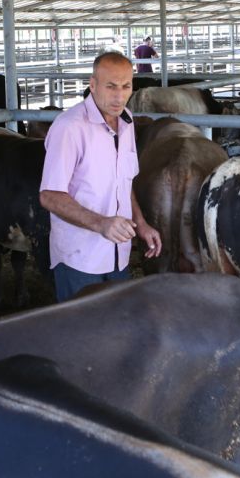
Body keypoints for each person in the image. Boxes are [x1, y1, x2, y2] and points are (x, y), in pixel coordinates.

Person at [39, 52, 162, 302]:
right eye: (111, 86)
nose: (119, 96)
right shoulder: (69, 127)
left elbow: (123, 182)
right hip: (79, 259)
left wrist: (140, 223)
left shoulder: (127, 123)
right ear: (93, 85)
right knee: (81, 325)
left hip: (118, 255)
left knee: (116, 321)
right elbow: (49, 196)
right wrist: (101, 224)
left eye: (126, 86)